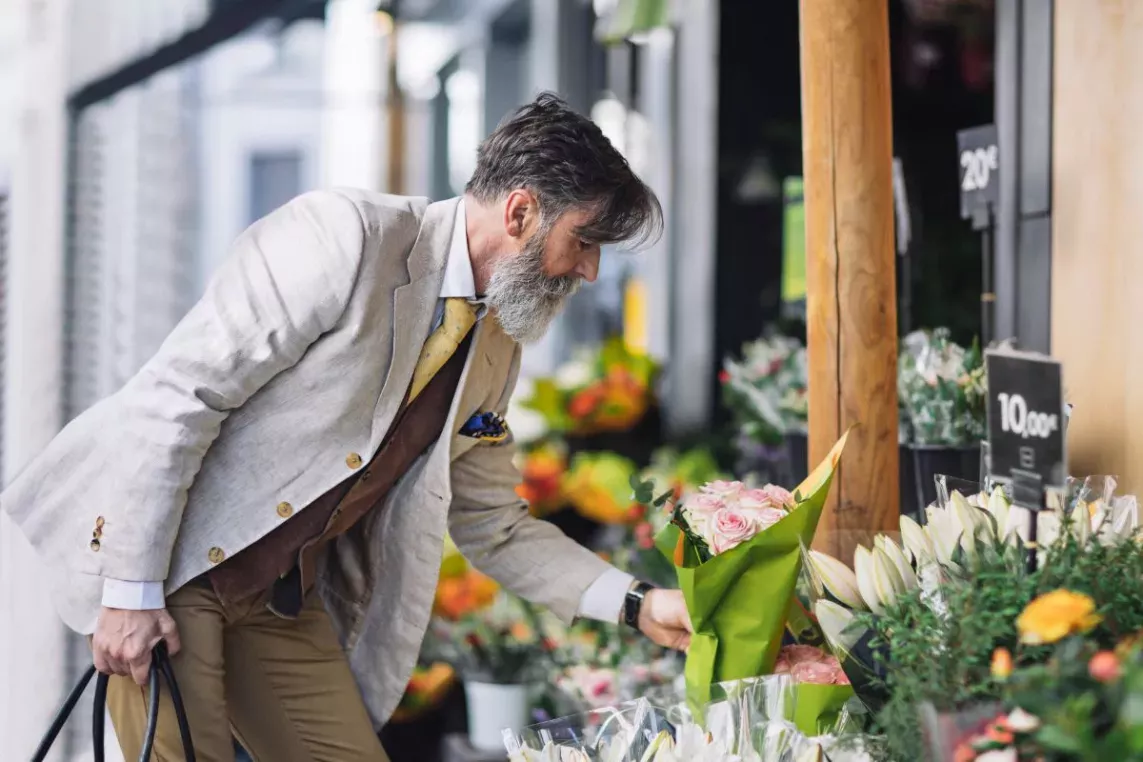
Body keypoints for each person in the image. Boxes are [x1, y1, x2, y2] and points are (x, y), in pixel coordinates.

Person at [2, 92, 691, 761]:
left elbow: (494, 523)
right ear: (520, 212)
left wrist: (637, 604)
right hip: (173, 567)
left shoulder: (495, 347)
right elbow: (179, 395)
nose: (591, 270)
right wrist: (128, 592)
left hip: (280, 600)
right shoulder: (345, 238)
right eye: (585, 240)